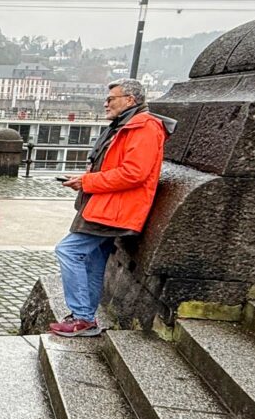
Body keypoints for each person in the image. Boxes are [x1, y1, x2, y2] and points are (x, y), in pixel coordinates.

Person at [51, 78, 174, 337]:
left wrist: (87, 181)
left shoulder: (144, 127)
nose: (106, 104)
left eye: (111, 99)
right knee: (94, 261)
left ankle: (82, 316)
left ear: (130, 100)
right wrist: (85, 178)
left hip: (113, 209)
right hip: (105, 205)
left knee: (68, 251)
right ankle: (85, 317)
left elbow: (134, 173)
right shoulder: (127, 125)